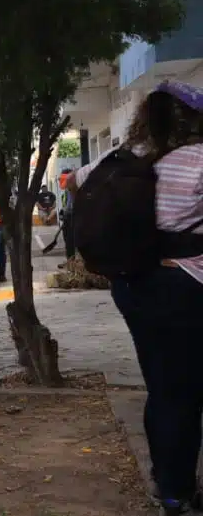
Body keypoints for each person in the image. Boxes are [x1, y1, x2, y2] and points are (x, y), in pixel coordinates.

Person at [65, 80, 203, 516]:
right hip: (188, 284)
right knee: (188, 392)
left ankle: (169, 486)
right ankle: (179, 489)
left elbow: (76, 182)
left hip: (135, 287)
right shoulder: (198, 160)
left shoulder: (119, 160)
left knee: (162, 387)